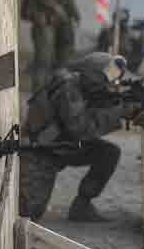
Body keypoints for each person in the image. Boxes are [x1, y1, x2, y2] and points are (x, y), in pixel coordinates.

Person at [19, 52, 137, 222]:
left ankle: (82, 206)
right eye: (105, 79)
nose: (108, 85)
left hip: (64, 145)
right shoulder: (67, 86)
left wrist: (118, 105)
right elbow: (81, 128)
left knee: (108, 153)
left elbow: (92, 111)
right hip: (40, 152)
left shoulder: (83, 86)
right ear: (91, 73)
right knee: (28, 213)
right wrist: (119, 112)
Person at [21, 0, 66, 91]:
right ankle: (39, 88)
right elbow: (27, 13)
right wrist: (42, 16)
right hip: (42, 29)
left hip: (46, 28)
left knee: (46, 58)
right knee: (42, 59)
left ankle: (42, 86)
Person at [48, 0, 81, 67]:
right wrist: (77, 17)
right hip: (64, 22)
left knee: (58, 51)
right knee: (65, 51)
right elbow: (70, 3)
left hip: (55, 22)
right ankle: (61, 74)